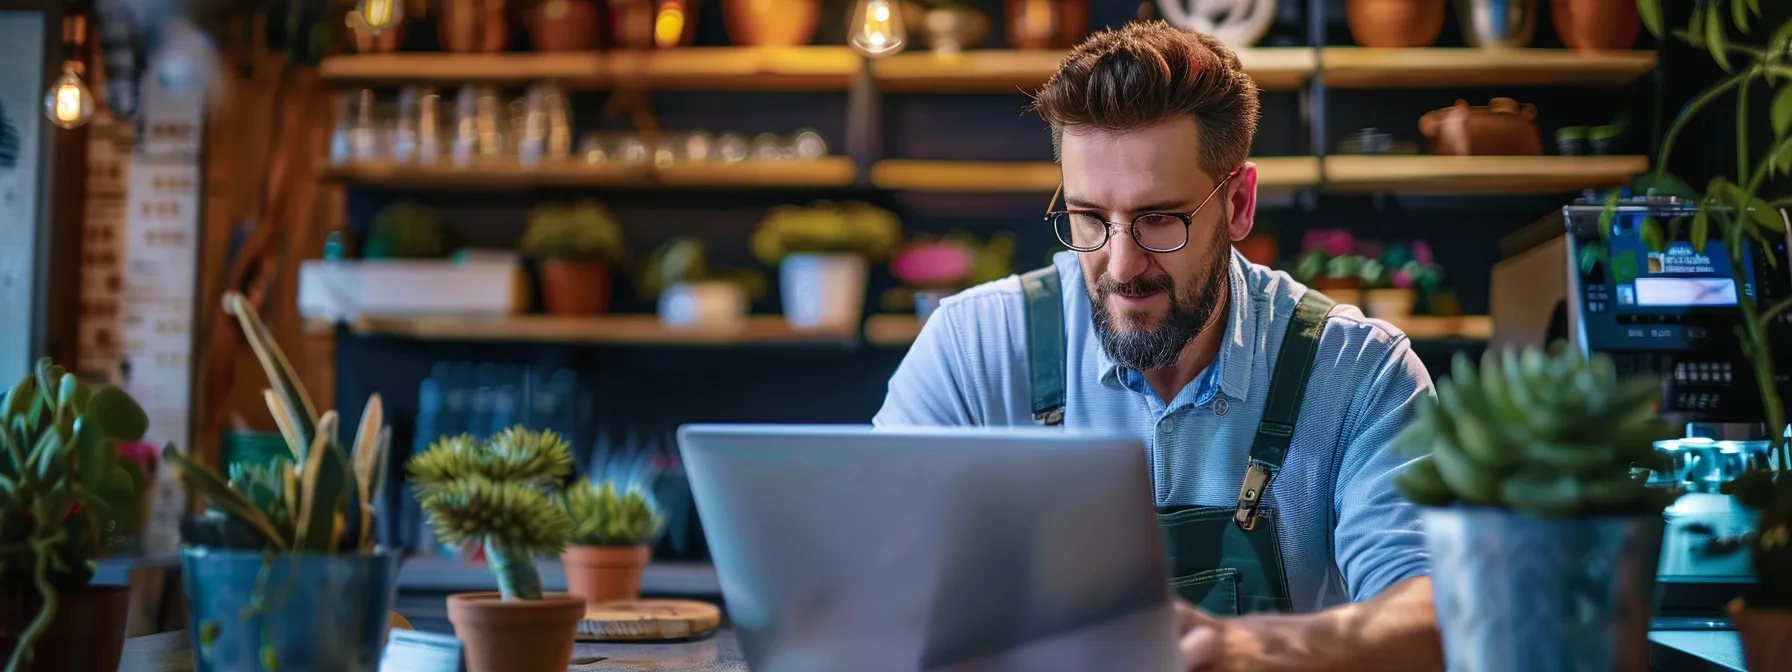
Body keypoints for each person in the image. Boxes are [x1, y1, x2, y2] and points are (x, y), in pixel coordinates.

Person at [872, 21, 1444, 672]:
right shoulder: (970, 347)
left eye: (1158, 219)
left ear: (1238, 203)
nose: (1121, 265)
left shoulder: (1358, 370)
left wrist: (1252, 647)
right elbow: (872, 580)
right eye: (1089, 217)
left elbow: (1436, 613)